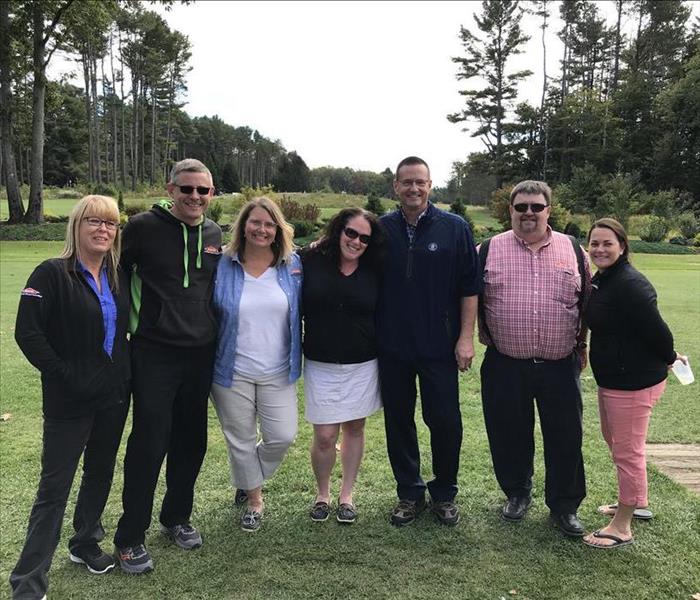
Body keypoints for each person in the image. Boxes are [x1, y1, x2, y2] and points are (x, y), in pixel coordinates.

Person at [10, 195, 130, 600]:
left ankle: (84, 543)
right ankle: (28, 583)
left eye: (110, 224)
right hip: (69, 401)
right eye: (93, 221)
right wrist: (64, 376)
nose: (102, 229)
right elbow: (27, 333)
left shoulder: (116, 275)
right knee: (54, 489)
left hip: (112, 397)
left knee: (99, 473)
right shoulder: (51, 274)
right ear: (76, 226)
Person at [113, 159, 222, 573]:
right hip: (154, 352)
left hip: (200, 353)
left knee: (191, 440)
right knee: (149, 442)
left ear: (212, 194)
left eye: (203, 191)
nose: (195, 197)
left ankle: (176, 517)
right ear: (170, 189)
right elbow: (116, 275)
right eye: (187, 189)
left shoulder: (213, 234)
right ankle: (130, 537)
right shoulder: (141, 227)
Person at [478, 180, 590, 537]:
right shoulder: (487, 250)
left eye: (536, 207)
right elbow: (468, 298)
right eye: (521, 206)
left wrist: (583, 344)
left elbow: (587, 300)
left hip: (560, 363)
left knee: (566, 435)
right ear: (510, 210)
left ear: (548, 211)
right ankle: (516, 493)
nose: (528, 213)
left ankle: (565, 505)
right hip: (506, 363)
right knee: (508, 432)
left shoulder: (573, 250)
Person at [377, 156, 480, 527]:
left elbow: (470, 288)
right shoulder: (380, 228)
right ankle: (409, 493)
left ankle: (444, 493)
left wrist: (465, 339)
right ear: (395, 187)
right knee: (399, 421)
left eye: (420, 182)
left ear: (430, 185)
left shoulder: (454, 228)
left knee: (446, 421)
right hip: (392, 347)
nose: (413, 189)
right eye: (406, 182)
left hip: (440, 345)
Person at [582, 218, 685, 549]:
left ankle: (622, 524)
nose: (599, 249)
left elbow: (658, 331)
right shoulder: (605, 278)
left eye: (607, 243)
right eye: (594, 243)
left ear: (622, 246)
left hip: (633, 382)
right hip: (613, 379)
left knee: (627, 452)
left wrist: (670, 357)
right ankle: (635, 500)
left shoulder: (630, 284)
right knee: (615, 442)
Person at [210, 197, 302, 533]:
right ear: (243, 225)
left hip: (279, 370)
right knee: (241, 439)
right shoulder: (221, 264)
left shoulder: (293, 266)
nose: (262, 229)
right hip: (230, 371)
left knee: (283, 436)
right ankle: (254, 499)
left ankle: (247, 475)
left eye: (269, 224)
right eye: (255, 222)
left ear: (278, 229)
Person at [301, 208, 385, 524]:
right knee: (324, 435)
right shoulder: (311, 260)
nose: (356, 241)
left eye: (365, 237)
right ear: (339, 230)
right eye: (351, 233)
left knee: (354, 427)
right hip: (321, 362)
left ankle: (346, 495)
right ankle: (322, 494)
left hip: (362, 362)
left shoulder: (376, 268)